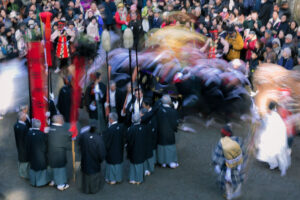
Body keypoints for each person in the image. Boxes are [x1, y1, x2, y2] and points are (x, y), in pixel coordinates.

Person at [256, 102, 291, 176]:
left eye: (267, 109)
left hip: (276, 138)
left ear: (270, 108)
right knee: (271, 151)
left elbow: (278, 128)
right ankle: (274, 164)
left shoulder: (274, 116)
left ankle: (280, 167)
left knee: (278, 153)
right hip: (272, 138)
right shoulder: (271, 115)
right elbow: (264, 124)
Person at [212, 124, 244, 200]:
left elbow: (217, 154)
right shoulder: (238, 140)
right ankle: (235, 191)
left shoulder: (222, 143)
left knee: (227, 180)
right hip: (238, 163)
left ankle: (229, 194)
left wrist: (216, 162)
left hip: (229, 164)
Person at [78, 124, 106, 194]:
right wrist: (101, 159)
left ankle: (86, 189)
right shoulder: (98, 138)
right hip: (95, 161)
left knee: (86, 175)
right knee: (94, 175)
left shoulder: (83, 136)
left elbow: (79, 145)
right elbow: (102, 152)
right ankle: (94, 189)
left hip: (85, 160)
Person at [48, 115, 71, 191]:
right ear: (60, 121)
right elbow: (69, 139)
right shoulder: (63, 131)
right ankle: (61, 184)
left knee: (52, 167)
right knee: (60, 169)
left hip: (50, 153)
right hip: (59, 154)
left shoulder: (49, 129)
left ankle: (53, 180)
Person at [156, 94, 179, 168]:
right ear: (169, 102)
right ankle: (171, 162)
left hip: (160, 132)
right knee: (170, 147)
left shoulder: (158, 110)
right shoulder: (172, 111)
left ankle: (162, 162)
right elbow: (175, 123)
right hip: (169, 132)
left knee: (161, 147)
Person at [103, 112, 125, 184]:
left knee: (111, 165)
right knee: (118, 164)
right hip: (119, 149)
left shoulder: (109, 130)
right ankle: (118, 178)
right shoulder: (122, 127)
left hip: (111, 151)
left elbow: (106, 142)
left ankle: (112, 179)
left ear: (111, 119)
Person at [27, 119, 50, 187]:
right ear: (39, 126)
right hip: (41, 156)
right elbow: (46, 146)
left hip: (31, 155)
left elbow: (27, 145)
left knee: (33, 168)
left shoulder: (29, 133)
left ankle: (33, 182)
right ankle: (41, 183)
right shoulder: (42, 134)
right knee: (41, 170)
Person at [126, 113, 147, 184]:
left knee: (133, 164)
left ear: (132, 120)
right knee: (140, 164)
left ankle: (132, 178)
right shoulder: (144, 128)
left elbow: (128, 141)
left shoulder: (130, 129)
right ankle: (139, 179)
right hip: (141, 149)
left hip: (133, 150)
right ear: (140, 120)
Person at [14, 112, 29, 179]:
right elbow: (26, 138)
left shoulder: (16, 125)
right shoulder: (24, 127)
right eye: (25, 116)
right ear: (23, 118)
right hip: (24, 147)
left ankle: (21, 172)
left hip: (19, 144)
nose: (26, 117)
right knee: (24, 161)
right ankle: (23, 174)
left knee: (20, 159)